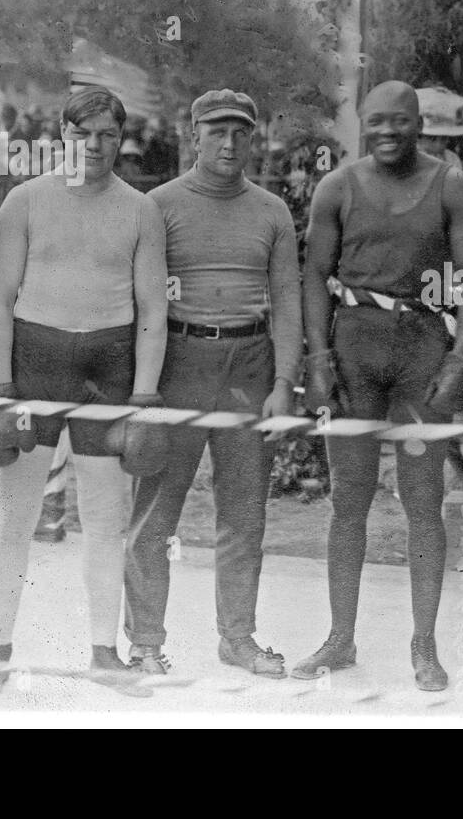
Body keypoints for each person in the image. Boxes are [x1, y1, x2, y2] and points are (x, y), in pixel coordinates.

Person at [0, 86, 167, 699]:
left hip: (107, 368)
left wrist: (143, 397)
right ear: (63, 135)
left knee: (104, 522)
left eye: (109, 134)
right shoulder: (26, 200)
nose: (97, 146)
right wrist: (2, 385)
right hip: (36, 363)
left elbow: (153, 311)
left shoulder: (140, 210)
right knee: (16, 518)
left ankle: (105, 654)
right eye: (84, 134)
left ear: (121, 138)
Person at [295, 80, 463, 691]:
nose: (387, 132)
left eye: (399, 122)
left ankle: (425, 646)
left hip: (420, 353)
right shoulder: (338, 186)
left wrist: (459, 366)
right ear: (362, 122)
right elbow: (313, 278)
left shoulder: (451, 186)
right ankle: (339, 638)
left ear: (418, 125)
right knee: (348, 498)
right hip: (354, 348)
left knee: (422, 501)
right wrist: (319, 361)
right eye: (376, 121)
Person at [123, 89, 302, 678]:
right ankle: (147, 640)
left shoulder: (272, 210)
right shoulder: (158, 204)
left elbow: (287, 303)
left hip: (249, 365)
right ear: (194, 135)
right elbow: (143, 301)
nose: (229, 144)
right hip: (178, 359)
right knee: (156, 511)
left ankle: (239, 637)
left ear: (254, 139)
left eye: (240, 133)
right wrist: (144, 388)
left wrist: (283, 382)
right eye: (217, 132)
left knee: (245, 512)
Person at [417, 85, 463, 178]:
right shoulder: (410, 160)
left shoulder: (451, 158)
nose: (439, 146)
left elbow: (457, 184)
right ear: (417, 138)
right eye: (432, 139)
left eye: (444, 139)